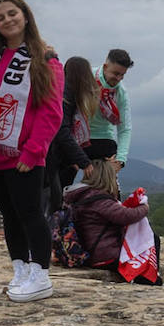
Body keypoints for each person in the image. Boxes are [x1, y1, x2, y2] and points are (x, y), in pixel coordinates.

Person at [0, 0, 64, 301]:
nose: (7, 20)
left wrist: (34, 150)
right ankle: (20, 271)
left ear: (25, 16)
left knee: (30, 214)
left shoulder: (45, 59)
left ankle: (40, 275)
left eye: (12, 14)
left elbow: (51, 111)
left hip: (24, 155)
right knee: (9, 216)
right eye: (0, 18)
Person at [63, 158, 161, 282]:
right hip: (104, 255)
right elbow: (126, 216)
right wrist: (144, 207)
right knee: (152, 239)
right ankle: (150, 277)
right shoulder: (99, 199)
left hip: (88, 250)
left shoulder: (81, 196)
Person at [44, 56, 98, 215]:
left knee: (54, 200)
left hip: (54, 157)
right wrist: (84, 162)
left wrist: (72, 160)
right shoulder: (66, 95)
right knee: (52, 203)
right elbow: (62, 131)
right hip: (49, 157)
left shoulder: (63, 92)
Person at [86, 49, 133, 167]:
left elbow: (125, 128)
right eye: (116, 74)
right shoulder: (87, 77)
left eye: (123, 75)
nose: (119, 79)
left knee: (105, 181)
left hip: (104, 137)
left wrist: (120, 160)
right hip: (79, 136)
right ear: (105, 67)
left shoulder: (121, 92)